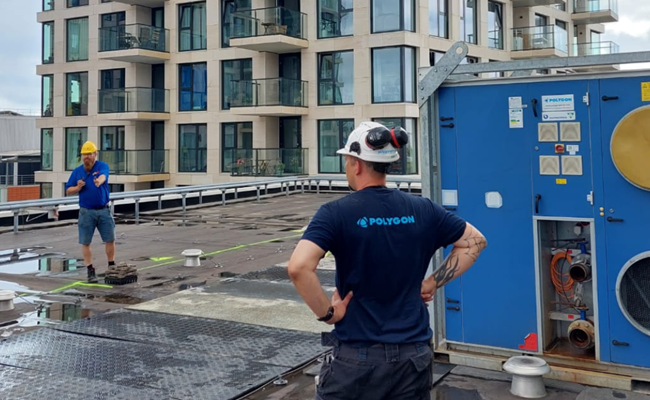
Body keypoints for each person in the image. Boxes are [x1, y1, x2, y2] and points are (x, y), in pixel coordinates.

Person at [287, 121, 487, 400]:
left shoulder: (335, 213)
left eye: (347, 161)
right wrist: (432, 283)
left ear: (356, 164)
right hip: (413, 358)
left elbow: (299, 267)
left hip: (357, 357)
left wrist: (329, 314)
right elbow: (475, 241)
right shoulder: (423, 208)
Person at [65, 141, 116, 283]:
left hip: (103, 209)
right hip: (86, 212)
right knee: (86, 241)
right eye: (84, 155)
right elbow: (68, 190)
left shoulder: (102, 166)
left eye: (89, 154)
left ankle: (111, 265)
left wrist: (99, 181)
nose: (86, 157)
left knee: (110, 239)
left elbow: (104, 176)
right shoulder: (77, 171)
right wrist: (77, 188)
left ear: (95, 154)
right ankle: (90, 269)